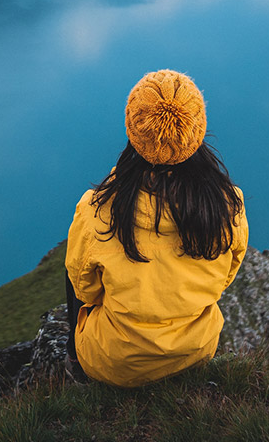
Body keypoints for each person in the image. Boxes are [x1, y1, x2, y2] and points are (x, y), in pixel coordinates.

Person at [64, 69, 249, 387]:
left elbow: (86, 291)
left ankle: (76, 365)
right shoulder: (228, 204)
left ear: (134, 128)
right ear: (197, 129)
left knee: (71, 270)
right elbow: (224, 280)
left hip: (115, 363)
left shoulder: (97, 209)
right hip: (195, 350)